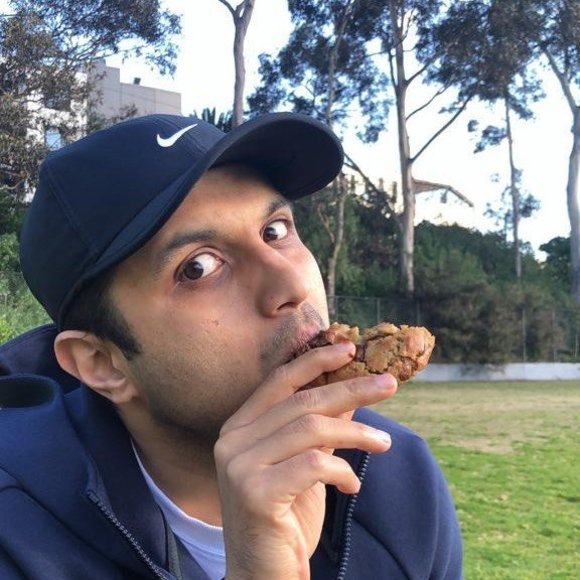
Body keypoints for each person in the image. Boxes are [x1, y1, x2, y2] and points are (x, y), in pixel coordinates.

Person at [0, 113, 462, 579]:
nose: (292, 285)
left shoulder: (398, 480)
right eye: (198, 267)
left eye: (275, 230)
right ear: (103, 364)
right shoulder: (16, 532)